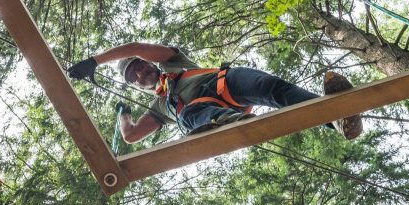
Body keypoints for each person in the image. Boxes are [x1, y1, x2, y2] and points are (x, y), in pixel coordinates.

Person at [67, 42, 362, 144]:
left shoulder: (172, 62)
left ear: (148, 63)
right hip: (209, 113)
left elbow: (134, 47)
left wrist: (95, 61)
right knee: (191, 114)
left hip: (226, 83)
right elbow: (130, 136)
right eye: (135, 78)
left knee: (272, 88)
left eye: (141, 67)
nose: (142, 74)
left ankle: (336, 117)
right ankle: (226, 124)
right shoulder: (159, 108)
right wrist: (125, 115)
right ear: (136, 87)